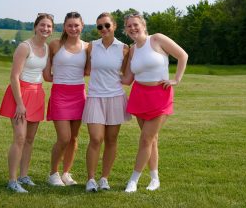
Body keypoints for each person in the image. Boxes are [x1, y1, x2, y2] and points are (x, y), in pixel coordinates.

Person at [122, 12, 188, 193]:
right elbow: (128, 78)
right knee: (151, 140)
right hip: (139, 96)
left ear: (143, 25)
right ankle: (154, 178)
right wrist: (101, 72)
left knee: (145, 139)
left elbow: (183, 55)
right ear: (125, 30)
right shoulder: (132, 49)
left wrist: (177, 79)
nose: (133, 28)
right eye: (129, 26)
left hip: (160, 96)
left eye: (135, 24)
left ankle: (133, 180)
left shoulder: (157, 39)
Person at [0, 13, 54, 193]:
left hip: (37, 93)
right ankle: (12, 181)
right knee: (20, 138)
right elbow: (14, 76)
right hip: (20, 94)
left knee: (29, 139)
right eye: (42, 25)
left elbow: (46, 75)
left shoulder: (46, 48)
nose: (45, 29)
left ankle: (23, 176)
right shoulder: (24, 47)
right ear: (35, 27)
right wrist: (20, 103)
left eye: (49, 26)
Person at [82, 12, 131, 192]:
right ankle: (91, 179)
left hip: (115, 97)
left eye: (107, 25)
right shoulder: (91, 46)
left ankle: (104, 179)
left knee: (111, 140)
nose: (103, 29)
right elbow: (86, 69)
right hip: (95, 97)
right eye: (99, 26)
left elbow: (126, 74)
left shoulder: (125, 48)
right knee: (96, 138)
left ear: (114, 26)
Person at [46, 11, 88, 186]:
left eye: (76, 25)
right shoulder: (55, 45)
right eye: (70, 25)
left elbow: (88, 71)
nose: (73, 28)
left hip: (79, 94)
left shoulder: (88, 47)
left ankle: (66, 174)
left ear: (82, 26)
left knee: (74, 138)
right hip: (60, 94)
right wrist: (64, 81)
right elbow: (47, 76)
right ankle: (53, 174)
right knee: (64, 137)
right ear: (64, 26)